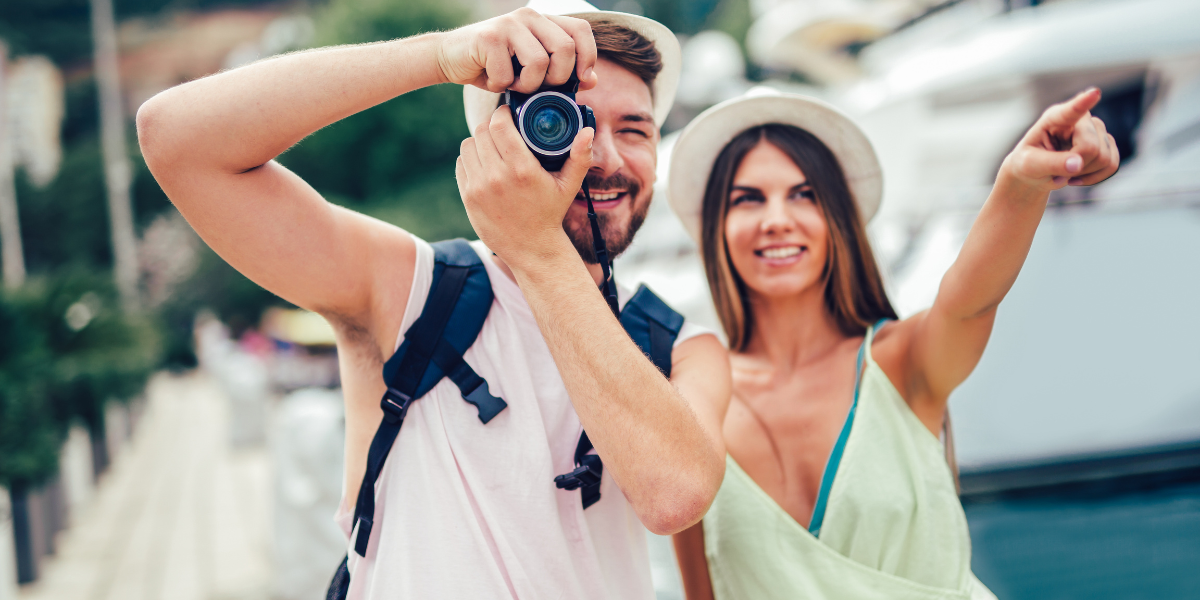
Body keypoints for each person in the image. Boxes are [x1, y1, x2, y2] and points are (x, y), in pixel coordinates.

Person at [136, 1, 731, 598]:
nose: (603, 156)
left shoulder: (681, 345)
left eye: (636, 130)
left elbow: (674, 495)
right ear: (501, 144)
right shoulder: (413, 288)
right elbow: (175, 138)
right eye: (569, 123)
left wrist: (535, 248)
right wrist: (442, 56)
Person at [667, 88, 1119, 599]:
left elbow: (968, 299)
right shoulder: (693, 404)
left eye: (804, 194)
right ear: (717, 229)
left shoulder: (899, 360)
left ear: (836, 219)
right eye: (747, 199)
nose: (776, 219)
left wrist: (1020, 184)